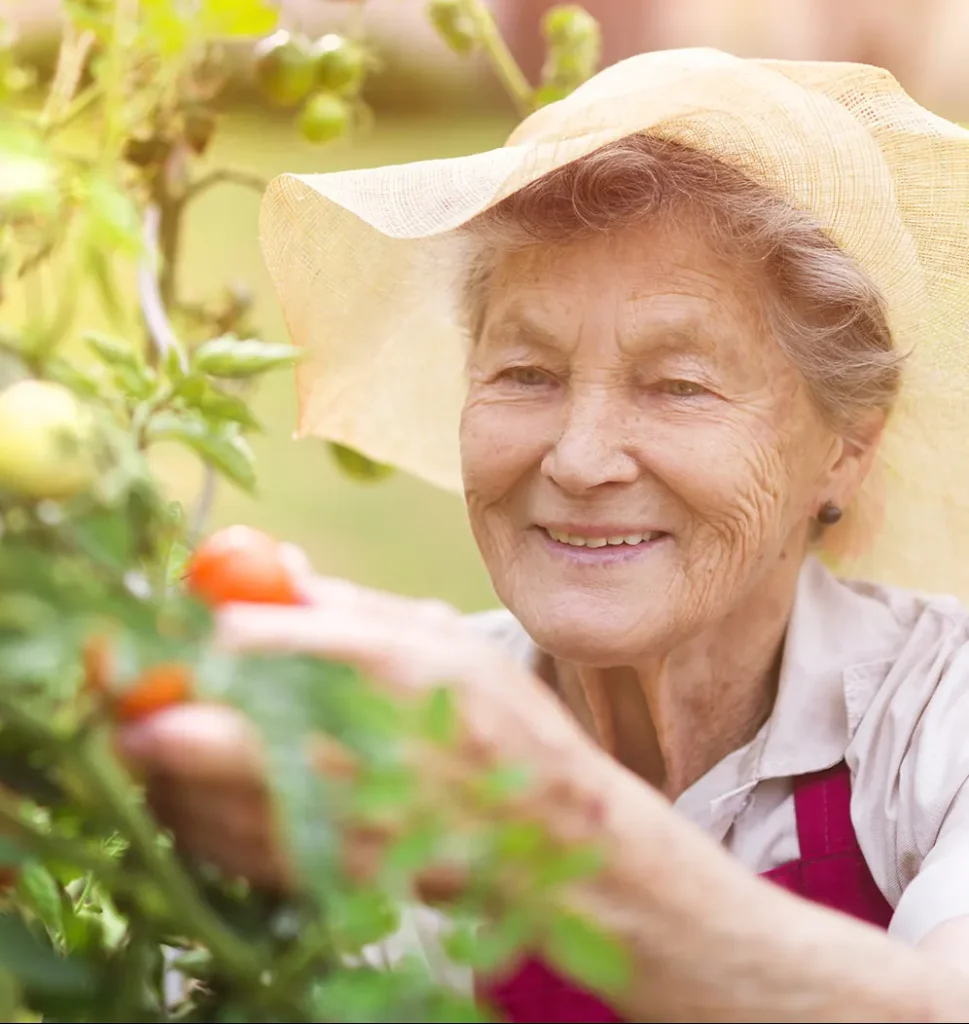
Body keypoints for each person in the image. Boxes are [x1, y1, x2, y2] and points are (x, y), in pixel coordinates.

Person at [120, 49, 969, 1021]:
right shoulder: (379, 740)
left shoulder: (940, 717)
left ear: (847, 448)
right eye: (526, 372)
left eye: (677, 385)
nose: (578, 456)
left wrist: (554, 836)